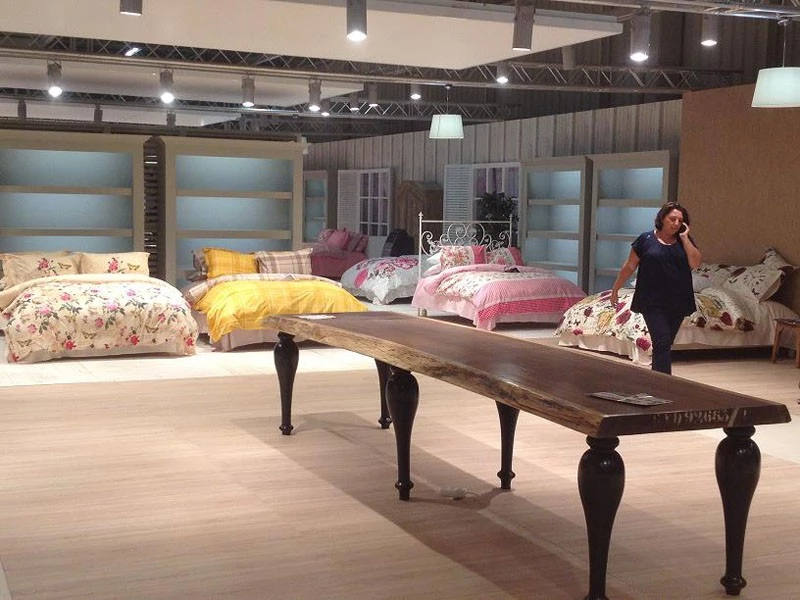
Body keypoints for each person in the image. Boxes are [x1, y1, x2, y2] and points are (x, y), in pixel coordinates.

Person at [610, 202, 702, 374]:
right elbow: (629, 266)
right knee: (662, 340)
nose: (676, 223)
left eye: (680, 220)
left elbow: (695, 263)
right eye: (672, 219)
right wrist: (616, 289)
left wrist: (685, 238)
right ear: (662, 218)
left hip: (678, 299)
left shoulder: (685, 241)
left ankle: (655, 380)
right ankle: (663, 383)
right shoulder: (645, 239)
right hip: (651, 299)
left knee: (664, 344)